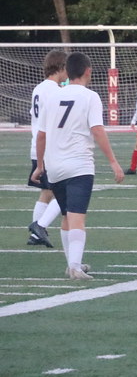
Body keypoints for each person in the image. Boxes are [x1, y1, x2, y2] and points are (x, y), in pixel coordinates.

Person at [32, 52, 124, 280]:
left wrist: (40, 165)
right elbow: (97, 130)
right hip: (79, 165)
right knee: (77, 217)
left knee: (66, 215)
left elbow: (41, 136)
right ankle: (74, 267)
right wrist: (113, 161)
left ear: (68, 71)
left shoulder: (52, 96)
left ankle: (71, 264)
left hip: (54, 166)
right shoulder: (90, 97)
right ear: (88, 72)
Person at [26, 50, 67, 248]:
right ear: (60, 67)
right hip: (49, 148)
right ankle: (40, 225)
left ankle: (35, 235)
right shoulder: (55, 91)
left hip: (37, 146)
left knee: (46, 192)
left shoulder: (39, 88)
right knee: (66, 191)